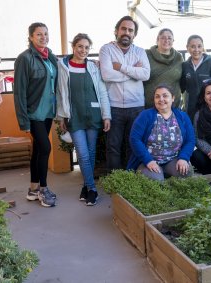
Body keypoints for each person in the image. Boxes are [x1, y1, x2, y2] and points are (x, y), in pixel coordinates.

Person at [56, 33, 111, 206]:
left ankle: (86, 187)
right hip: (75, 116)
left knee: (91, 152)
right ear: (74, 46)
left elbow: (102, 91)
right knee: (83, 154)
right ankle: (92, 188)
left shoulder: (94, 67)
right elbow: (60, 93)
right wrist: (61, 116)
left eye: (87, 47)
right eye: (80, 46)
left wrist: (106, 115)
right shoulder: (63, 66)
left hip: (93, 114)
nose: (83, 50)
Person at [14, 23, 57, 207]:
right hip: (33, 114)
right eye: (39, 34)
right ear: (31, 37)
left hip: (47, 112)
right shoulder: (25, 58)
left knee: (39, 150)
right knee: (46, 148)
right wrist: (24, 121)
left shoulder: (50, 57)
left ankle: (32, 189)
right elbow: (19, 92)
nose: (43, 37)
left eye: (46, 34)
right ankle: (43, 189)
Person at [99, 16, 150, 171]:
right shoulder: (106, 49)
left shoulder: (140, 52)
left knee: (132, 146)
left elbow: (146, 74)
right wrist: (134, 71)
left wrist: (120, 67)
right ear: (116, 31)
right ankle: (115, 182)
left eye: (130, 30)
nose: (126, 32)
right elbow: (107, 74)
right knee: (113, 147)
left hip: (136, 107)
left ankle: (130, 181)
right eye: (123, 29)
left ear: (134, 34)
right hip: (114, 106)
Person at [127, 84, 195, 181]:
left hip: (172, 159)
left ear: (173, 98)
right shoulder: (145, 115)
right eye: (157, 96)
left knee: (186, 173)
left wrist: (184, 158)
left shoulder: (182, 116)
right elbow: (135, 139)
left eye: (165, 95)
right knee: (156, 181)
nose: (161, 99)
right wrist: (148, 160)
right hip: (148, 160)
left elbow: (190, 140)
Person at [181, 34, 211, 122]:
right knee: (193, 131)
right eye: (193, 46)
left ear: (203, 47)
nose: (196, 50)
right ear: (187, 47)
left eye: (199, 46)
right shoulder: (185, 65)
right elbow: (181, 87)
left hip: (209, 106)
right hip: (191, 108)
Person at [144, 28, 183, 109]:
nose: (166, 40)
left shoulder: (178, 57)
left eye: (169, 38)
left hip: (173, 106)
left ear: (173, 41)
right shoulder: (146, 55)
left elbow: (183, 80)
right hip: (150, 105)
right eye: (163, 38)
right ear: (157, 40)